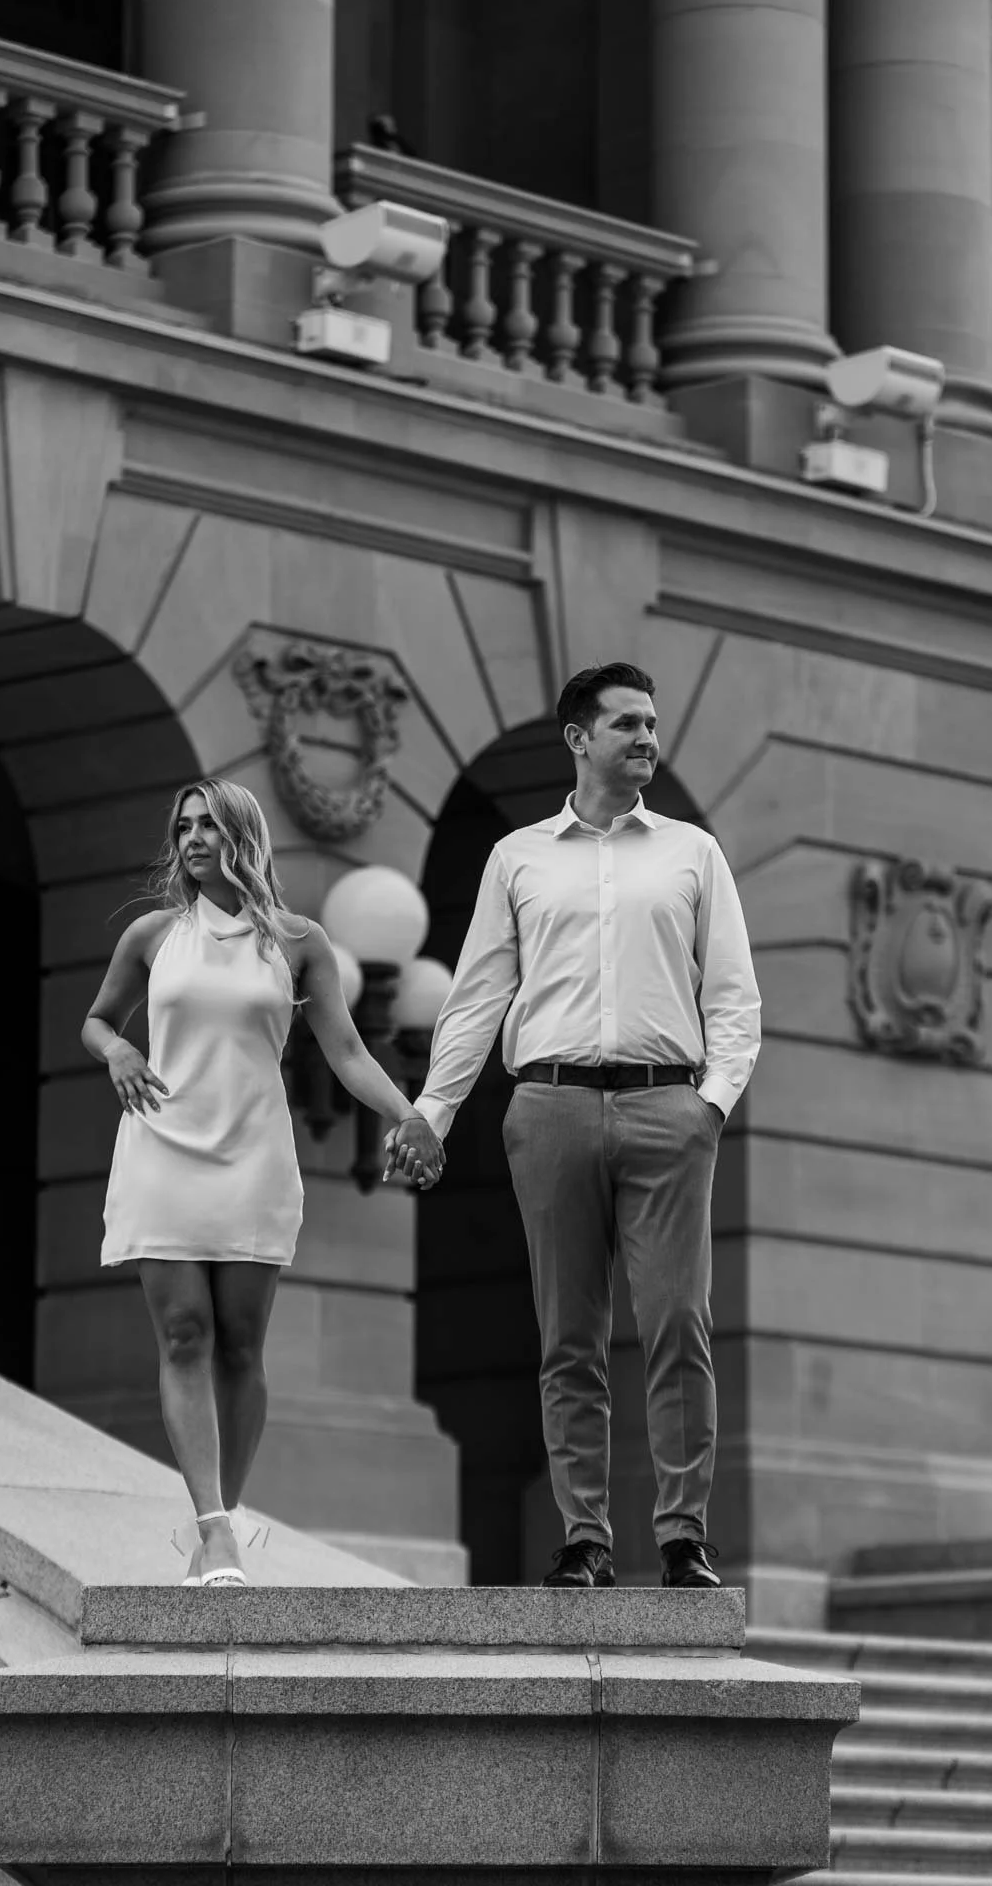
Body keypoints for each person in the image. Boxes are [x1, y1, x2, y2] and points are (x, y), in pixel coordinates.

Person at [387, 662, 760, 1589]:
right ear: (578, 738)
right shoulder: (518, 857)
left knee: (678, 1325)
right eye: (627, 724)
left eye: (652, 724)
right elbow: (475, 999)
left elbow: (734, 999)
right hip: (547, 1105)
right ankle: (585, 1539)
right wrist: (432, 1111)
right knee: (568, 1336)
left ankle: (683, 1538)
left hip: (667, 1105)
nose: (646, 739)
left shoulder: (692, 853)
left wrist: (707, 1106)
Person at [82, 778, 443, 1587]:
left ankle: (225, 1517)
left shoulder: (298, 940)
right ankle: (213, 1529)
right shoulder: (151, 935)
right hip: (163, 1146)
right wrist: (118, 1051)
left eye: (209, 824)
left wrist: (409, 1115)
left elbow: (347, 1052)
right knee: (183, 1335)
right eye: (182, 827)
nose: (193, 838)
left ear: (242, 834)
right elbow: (98, 1017)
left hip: (254, 1156)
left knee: (241, 1346)